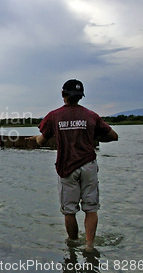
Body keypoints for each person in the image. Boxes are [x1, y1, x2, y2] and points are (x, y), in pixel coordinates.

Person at [30, 79, 118, 250]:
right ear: (80, 97)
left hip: (67, 167)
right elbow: (113, 136)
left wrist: (35, 139)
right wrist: (94, 137)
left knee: (69, 210)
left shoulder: (54, 116)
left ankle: (72, 245)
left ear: (63, 95)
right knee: (91, 208)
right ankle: (89, 246)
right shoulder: (91, 115)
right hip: (88, 165)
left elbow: (41, 141)